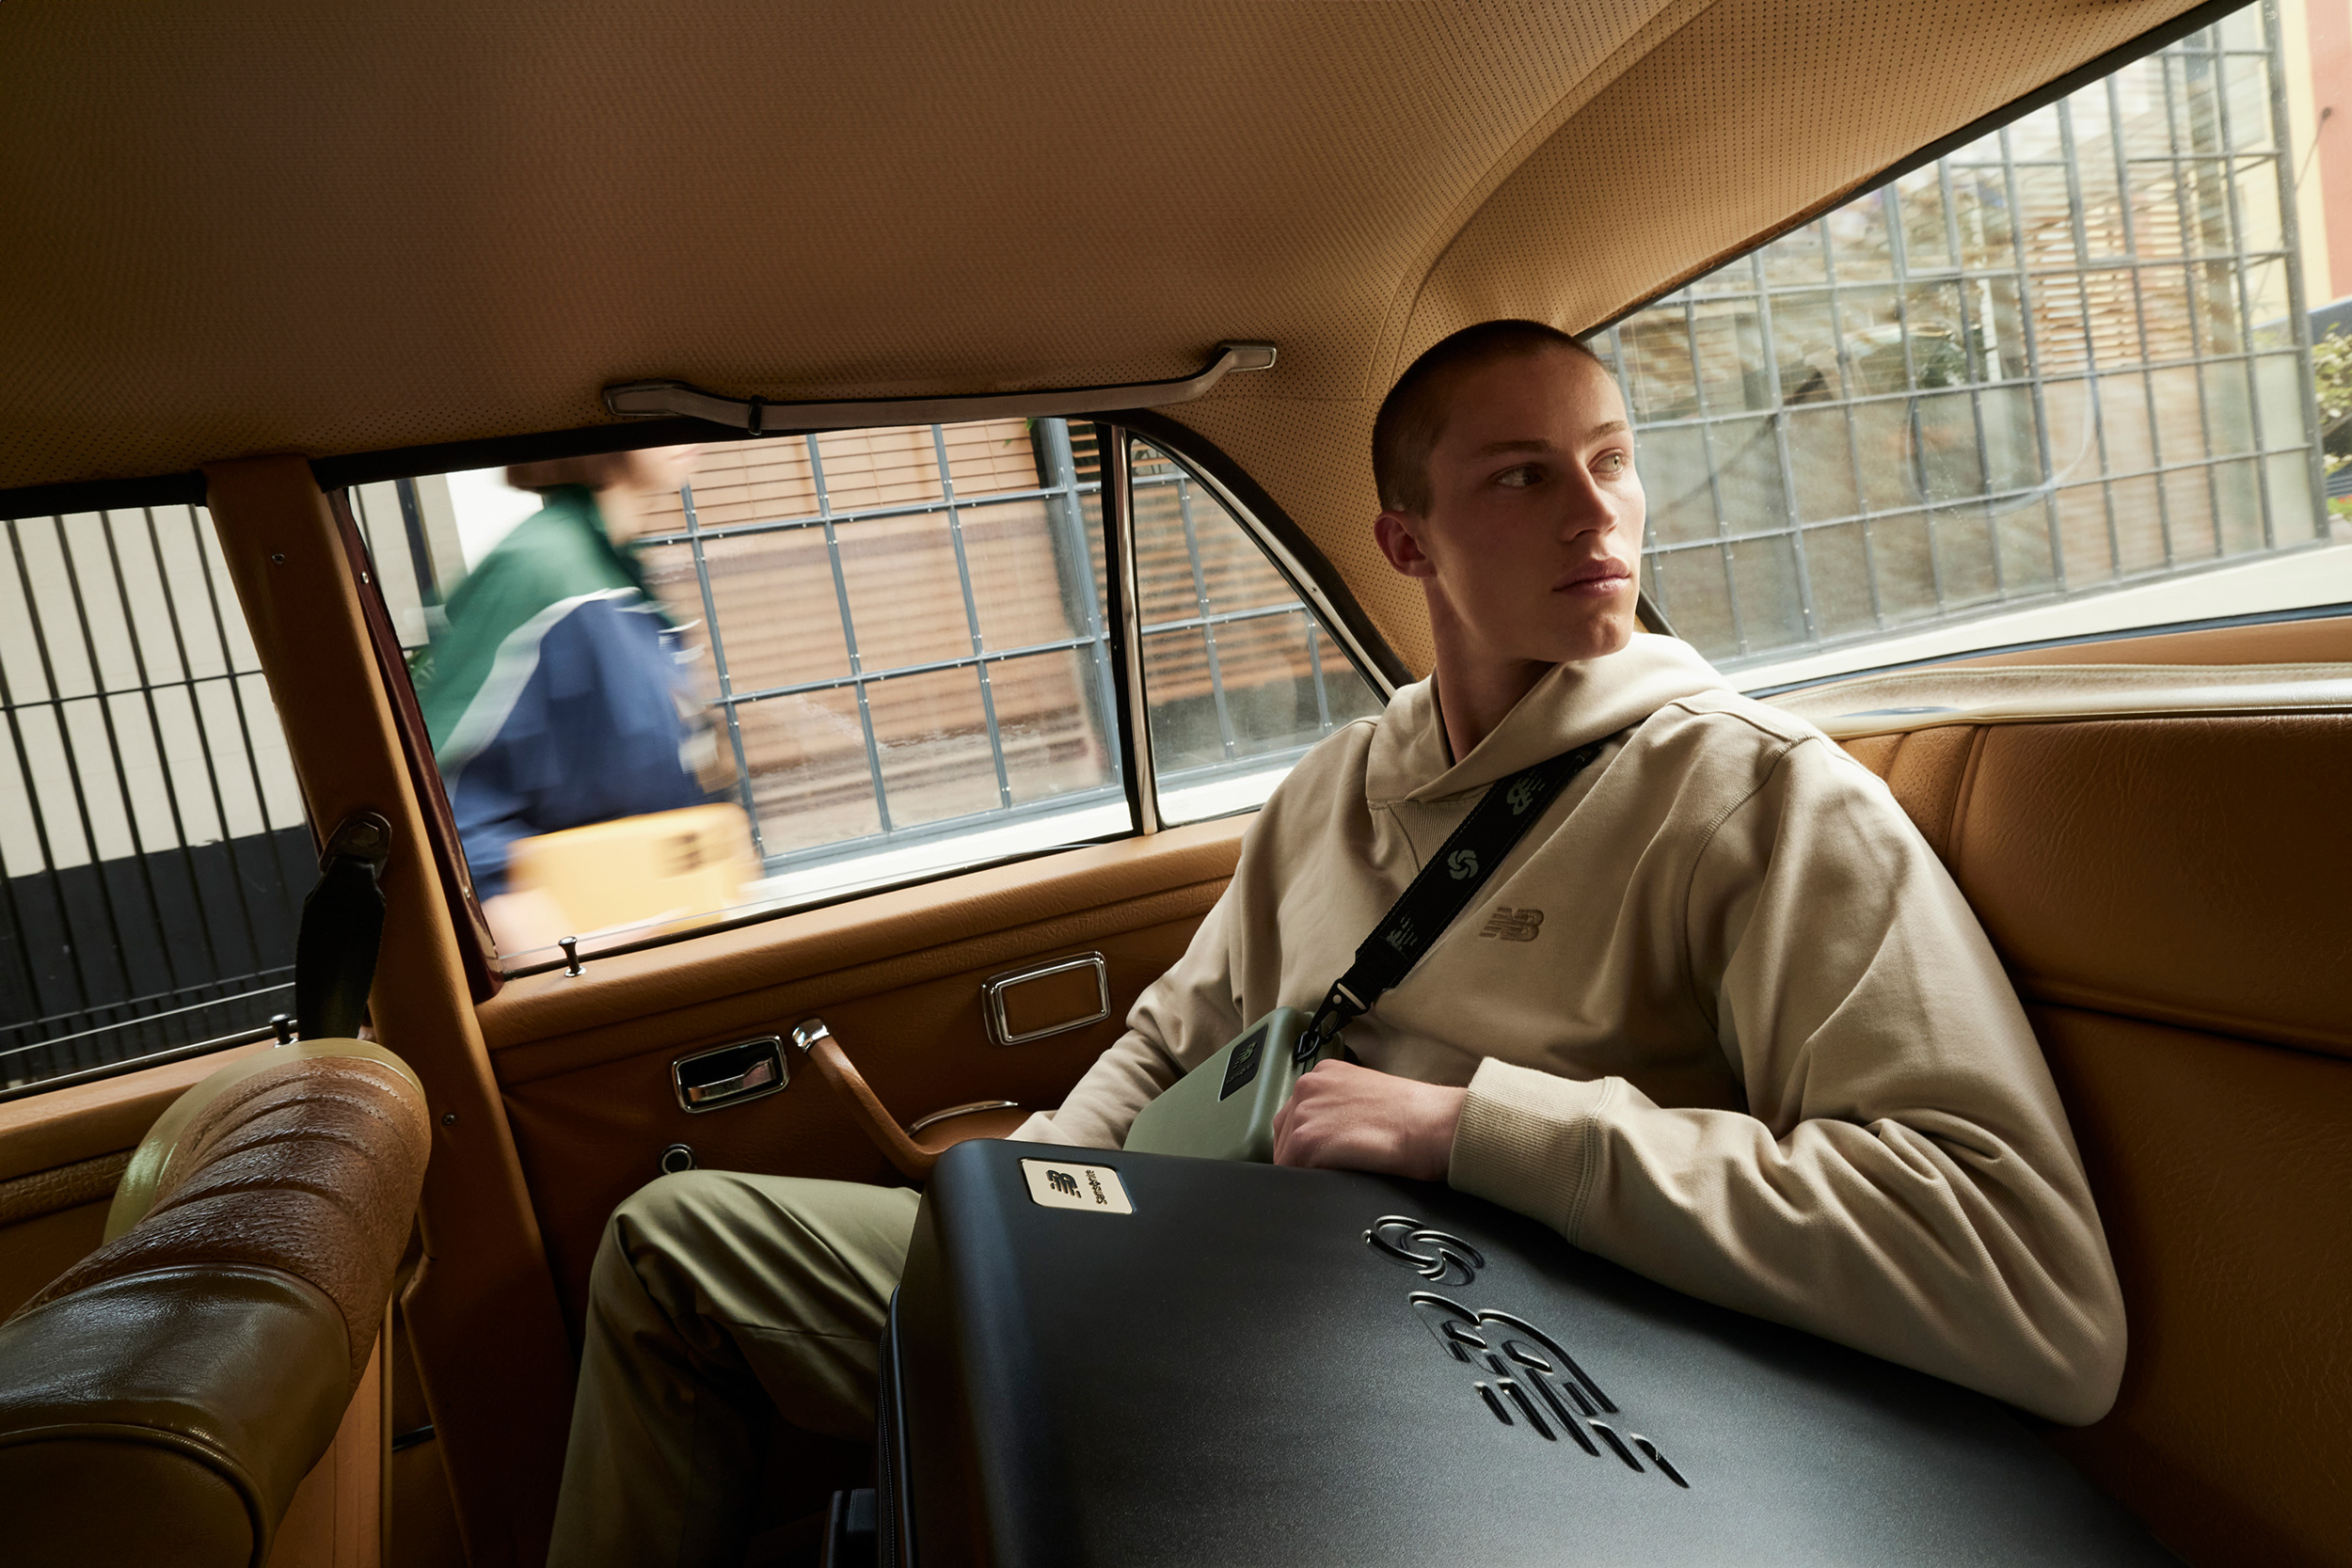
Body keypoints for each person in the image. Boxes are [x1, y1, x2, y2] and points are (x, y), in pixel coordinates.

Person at [546, 323, 2124, 1565]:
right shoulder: (1334, 787)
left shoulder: (1757, 798)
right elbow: (1176, 1033)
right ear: (1406, 543)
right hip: (1214, 1277)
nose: (1597, 514)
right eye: (1523, 476)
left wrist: (1472, 1125)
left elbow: (2022, 1273)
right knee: (677, 1243)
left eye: (1612, 461)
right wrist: (1020, 1217)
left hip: (1464, 1373)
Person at [418, 447, 726, 953]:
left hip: (670, 931)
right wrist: (559, 956)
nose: (684, 427)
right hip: (597, 962)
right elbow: (436, 798)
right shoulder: (539, 570)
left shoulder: (615, 568)